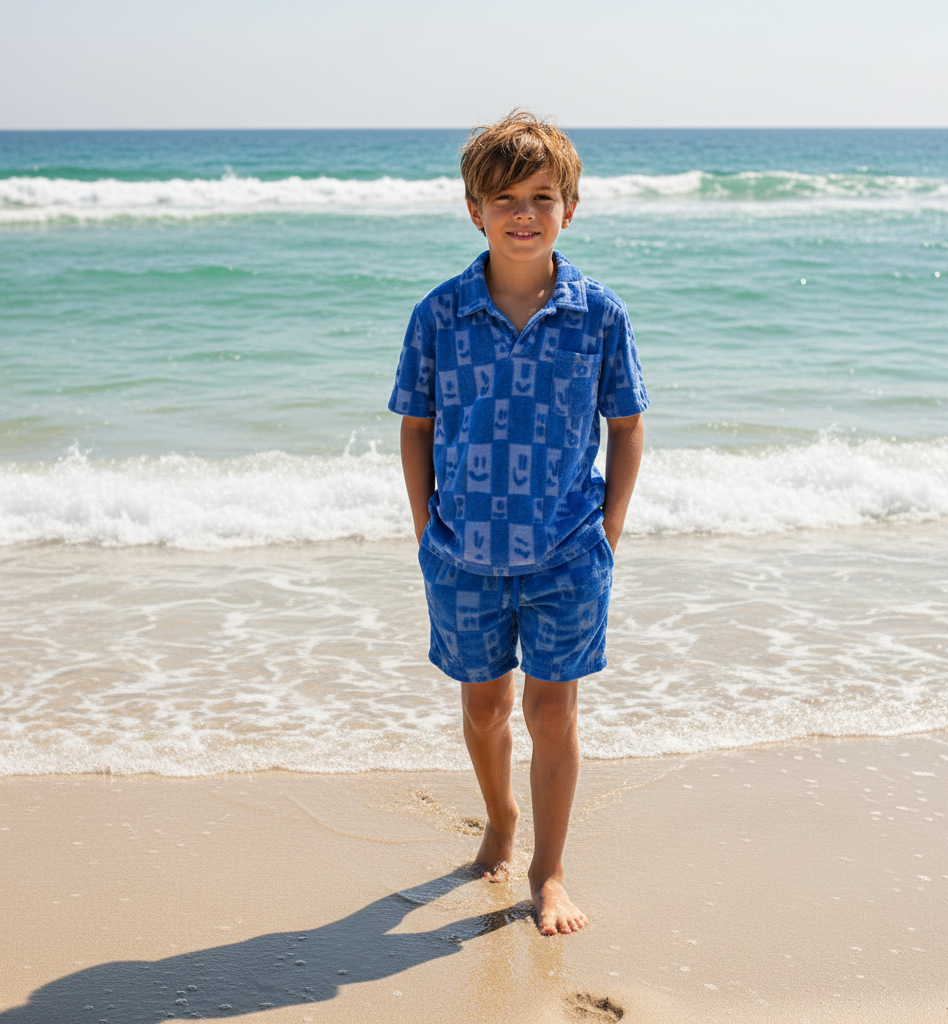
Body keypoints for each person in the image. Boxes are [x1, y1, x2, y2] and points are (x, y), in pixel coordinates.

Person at [388, 110, 648, 936]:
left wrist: (607, 533)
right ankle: (499, 819)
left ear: (570, 207)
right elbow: (417, 426)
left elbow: (627, 423)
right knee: (483, 708)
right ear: (475, 210)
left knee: (553, 713)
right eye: (504, 198)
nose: (524, 212)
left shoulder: (599, 315)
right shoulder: (438, 315)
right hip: (462, 553)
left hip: (568, 552)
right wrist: (427, 527)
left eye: (542, 195)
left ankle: (549, 869)